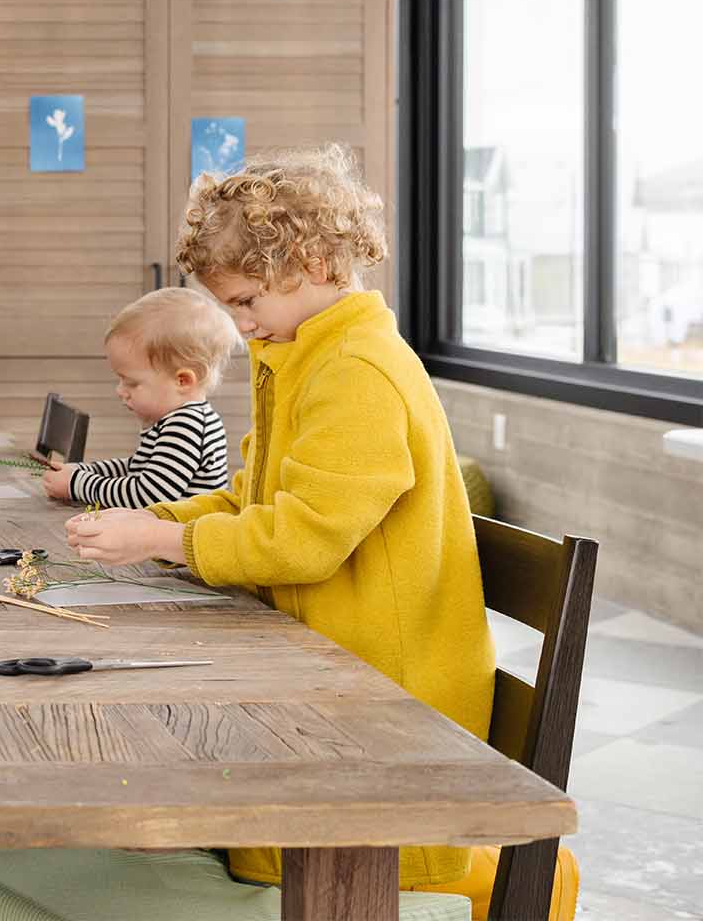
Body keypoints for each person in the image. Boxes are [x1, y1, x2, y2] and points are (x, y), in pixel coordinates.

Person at [68, 145, 495, 891]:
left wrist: (166, 538)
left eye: (245, 303)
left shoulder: (356, 372)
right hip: (334, 675)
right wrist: (155, 519)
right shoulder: (306, 352)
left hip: (385, 718)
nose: (237, 326)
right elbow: (255, 495)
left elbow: (301, 539)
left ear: (317, 263)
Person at [41, 287, 237, 508]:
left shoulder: (187, 425)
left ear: (182, 381)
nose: (120, 390)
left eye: (131, 382)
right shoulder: (176, 419)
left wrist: (77, 484)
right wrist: (84, 471)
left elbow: (147, 495)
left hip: (178, 538)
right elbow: (139, 467)